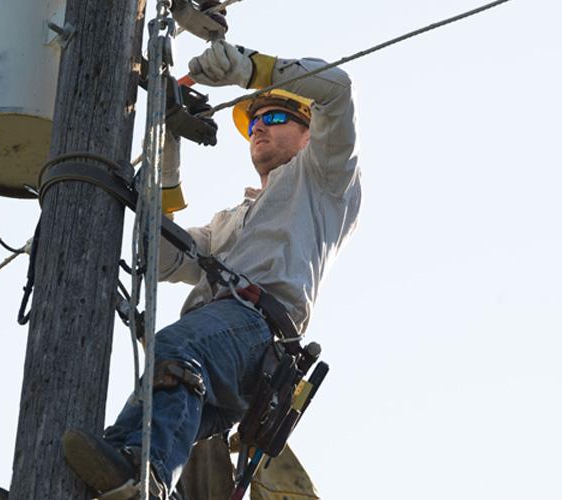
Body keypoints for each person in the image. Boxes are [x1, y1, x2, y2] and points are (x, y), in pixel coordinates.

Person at [61, 40, 361, 498]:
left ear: (310, 133)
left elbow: (337, 88)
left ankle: (147, 479)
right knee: (139, 420)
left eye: (276, 118)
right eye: (254, 123)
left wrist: (249, 69)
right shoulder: (230, 220)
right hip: (223, 354)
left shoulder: (324, 180)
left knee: (173, 355)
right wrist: (169, 141)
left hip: (254, 331)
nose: (259, 127)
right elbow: (160, 258)